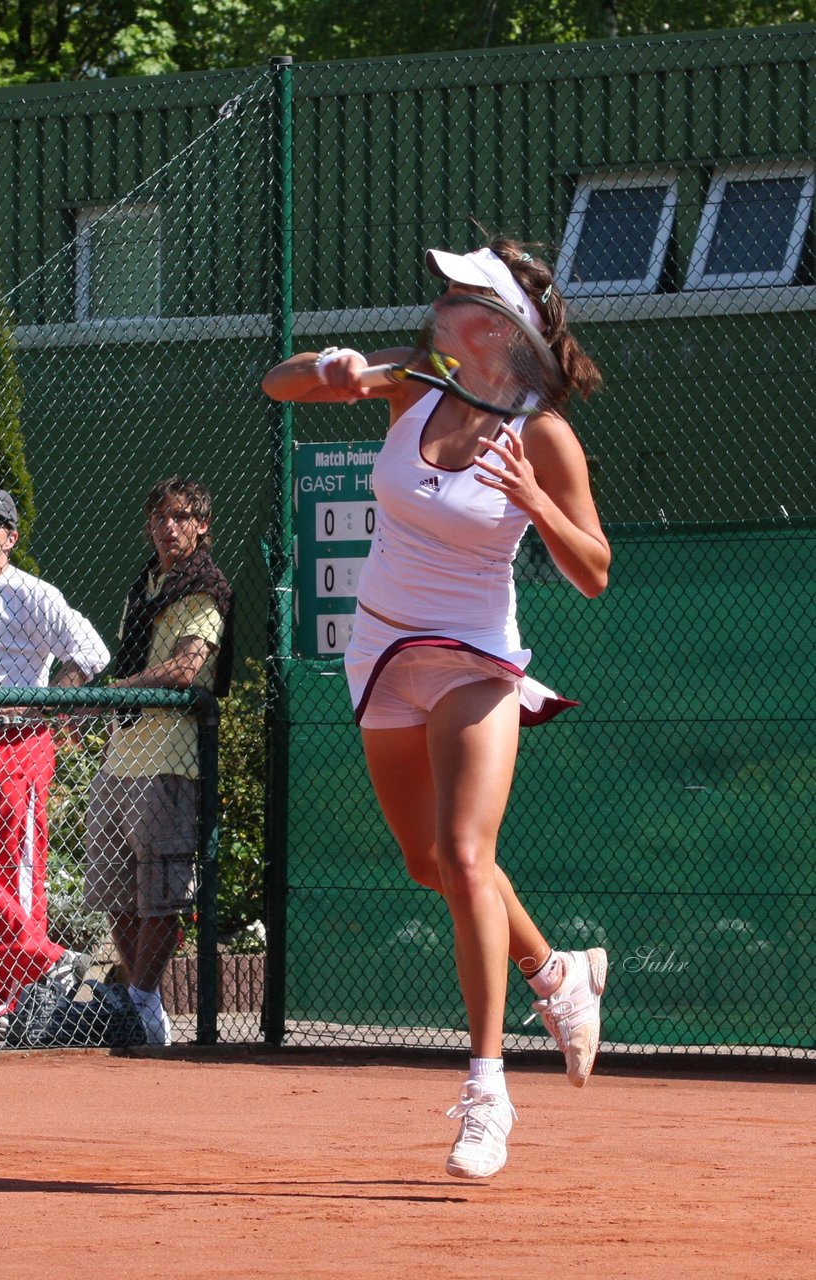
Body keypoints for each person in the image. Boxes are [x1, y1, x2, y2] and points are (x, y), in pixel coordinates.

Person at [262, 235, 612, 1180]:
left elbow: (594, 572)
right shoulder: (417, 379)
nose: (446, 303)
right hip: (379, 649)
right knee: (429, 863)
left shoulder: (542, 433)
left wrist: (538, 501)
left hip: (475, 659)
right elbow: (279, 385)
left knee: (465, 856)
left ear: (506, 328)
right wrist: (329, 368)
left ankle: (487, 1091)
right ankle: (556, 969)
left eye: (468, 296)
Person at [84, 477, 233, 1046]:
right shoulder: (142, 586)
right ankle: (146, 1007)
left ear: (202, 527)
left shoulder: (206, 588)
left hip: (170, 761)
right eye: (160, 517)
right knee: (118, 896)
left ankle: (139, 1002)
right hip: (118, 757)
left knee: (162, 897)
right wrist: (110, 699)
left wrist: (116, 688)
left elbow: (184, 669)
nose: (168, 527)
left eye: (181, 517)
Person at [0, 487, 110, 1042]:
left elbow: (90, 653)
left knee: (17, 875)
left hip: (16, 745)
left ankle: (13, 1002)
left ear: (12, 537)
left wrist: (42, 704)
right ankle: (48, 960)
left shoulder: (35, 595)